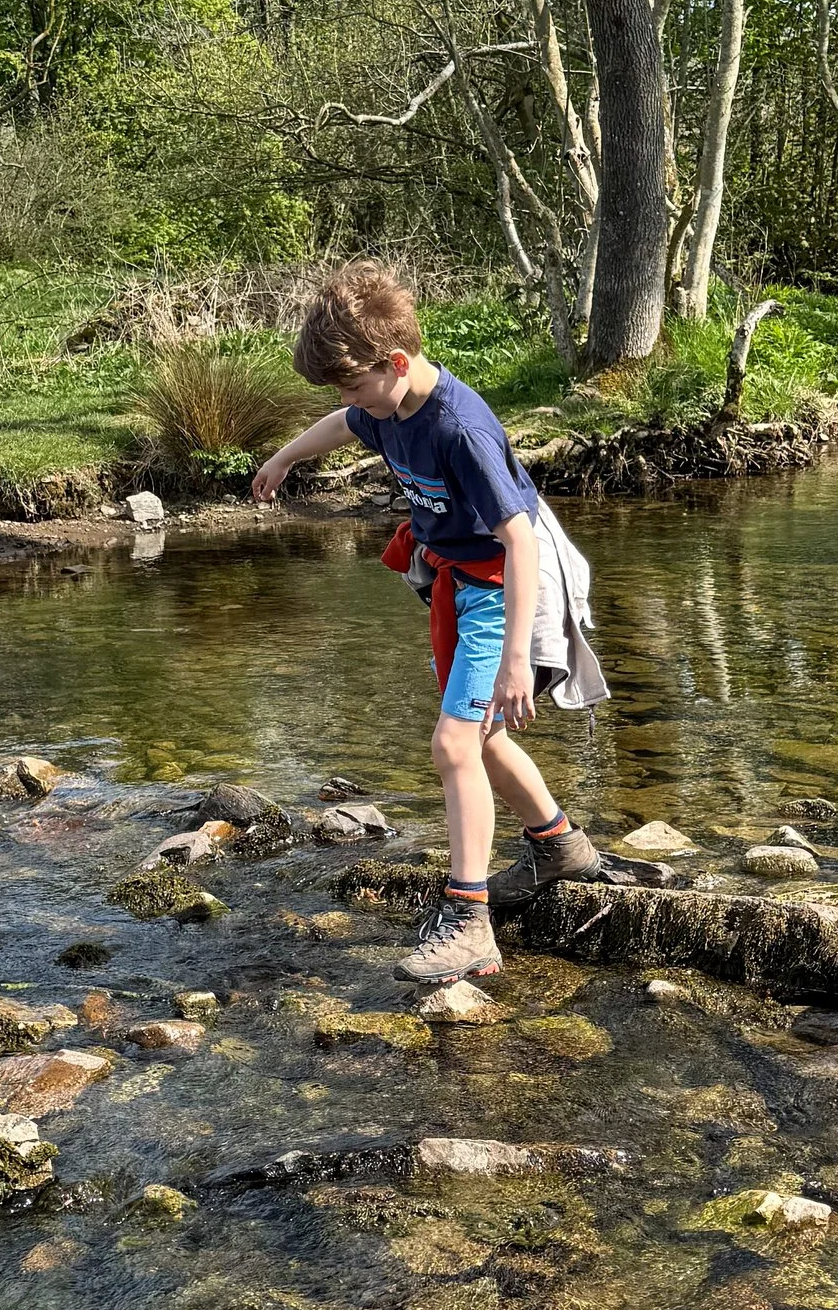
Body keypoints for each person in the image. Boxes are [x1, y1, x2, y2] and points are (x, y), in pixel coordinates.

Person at [253, 264, 609, 983]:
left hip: (506, 583)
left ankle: (469, 919)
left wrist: (516, 660)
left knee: (455, 742)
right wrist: (285, 455)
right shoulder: (385, 406)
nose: (348, 402)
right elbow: (342, 423)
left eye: (352, 385)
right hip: (460, 579)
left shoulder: (459, 428)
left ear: (395, 363)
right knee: (482, 737)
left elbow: (522, 540)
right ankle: (560, 848)